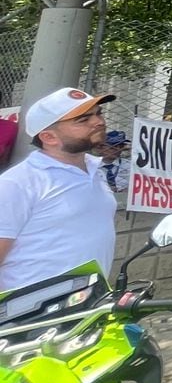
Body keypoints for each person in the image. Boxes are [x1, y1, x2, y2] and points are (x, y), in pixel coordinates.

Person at [0, 88, 119, 292]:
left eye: (98, 113)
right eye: (83, 120)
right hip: (30, 316)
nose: (98, 122)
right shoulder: (18, 183)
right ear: (49, 137)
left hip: (84, 308)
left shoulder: (95, 170)